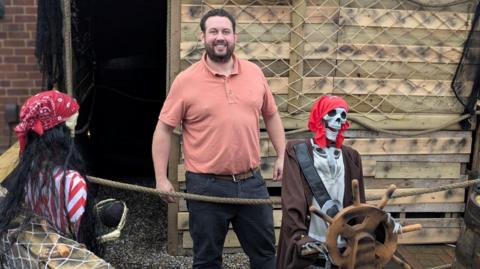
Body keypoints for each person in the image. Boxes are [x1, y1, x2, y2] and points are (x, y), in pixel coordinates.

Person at [152, 8, 285, 269]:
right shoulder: (185, 81)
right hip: (206, 185)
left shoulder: (254, 73)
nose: (220, 37)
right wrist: (160, 178)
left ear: (235, 37)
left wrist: (282, 154)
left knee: (265, 254)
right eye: (213, 31)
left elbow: (271, 115)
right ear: (202, 38)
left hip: (251, 183)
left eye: (225, 31)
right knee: (207, 259)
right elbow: (163, 129)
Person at [0, 90, 101, 254]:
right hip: (67, 250)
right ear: (60, 134)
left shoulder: (27, 173)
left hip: (43, 241)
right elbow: (76, 227)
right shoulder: (73, 183)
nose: (73, 132)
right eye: (71, 126)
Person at [277, 95, 366, 269]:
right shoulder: (297, 150)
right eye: (332, 114)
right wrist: (299, 238)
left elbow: (359, 200)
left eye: (343, 116)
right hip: (312, 235)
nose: (338, 121)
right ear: (319, 116)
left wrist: (367, 231)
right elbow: (292, 198)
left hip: (342, 238)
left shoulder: (351, 156)